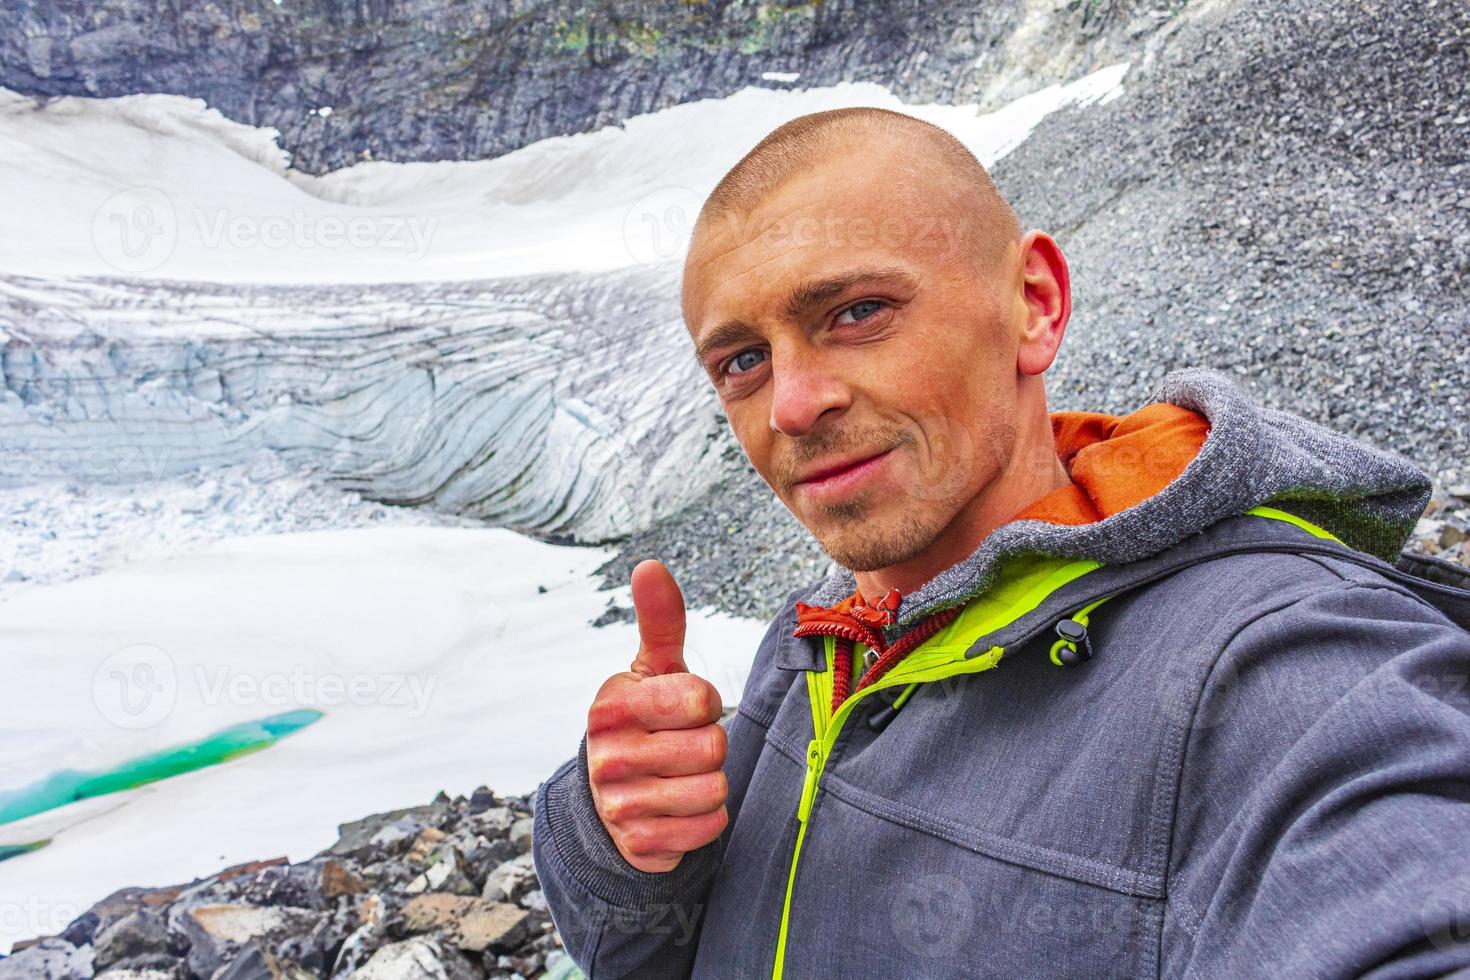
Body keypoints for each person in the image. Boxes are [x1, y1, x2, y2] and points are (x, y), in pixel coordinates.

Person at [531, 107, 1470, 978]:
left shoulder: (1281, 666)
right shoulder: (822, 640)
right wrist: (628, 848)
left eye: (856, 313)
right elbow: (648, 959)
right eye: (743, 361)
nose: (791, 404)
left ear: (1034, 303)